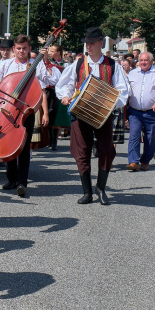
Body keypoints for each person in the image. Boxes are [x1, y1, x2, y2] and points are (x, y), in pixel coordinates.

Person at [56, 27, 129, 205]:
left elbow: (123, 92)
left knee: (106, 150)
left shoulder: (113, 65)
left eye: (92, 43)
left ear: (100, 44)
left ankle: (101, 189)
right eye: (86, 43)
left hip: (103, 116)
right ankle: (87, 191)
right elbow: (64, 84)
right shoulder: (79, 64)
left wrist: (109, 104)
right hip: (80, 115)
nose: (88, 46)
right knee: (82, 152)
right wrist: (65, 96)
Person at [0, 34, 58, 197]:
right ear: (14, 49)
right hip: (7, 110)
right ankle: (11, 179)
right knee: (9, 144)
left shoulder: (36, 65)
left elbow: (53, 80)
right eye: (18, 48)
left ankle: (22, 182)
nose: (21, 51)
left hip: (25, 112)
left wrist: (46, 60)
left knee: (24, 147)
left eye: (25, 48)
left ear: (29, 49)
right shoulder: (5, 65)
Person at [125, 51, 155, 172]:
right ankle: (133, 161)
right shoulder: (132, 74)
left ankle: (145, 160)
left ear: (151, 61)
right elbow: (125, 89)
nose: (143, 62)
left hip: (152, 111)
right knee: (134, 135)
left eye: (146, 60)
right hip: (135, 112)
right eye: (141, 60)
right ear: (138, 61)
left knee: (150, 137)